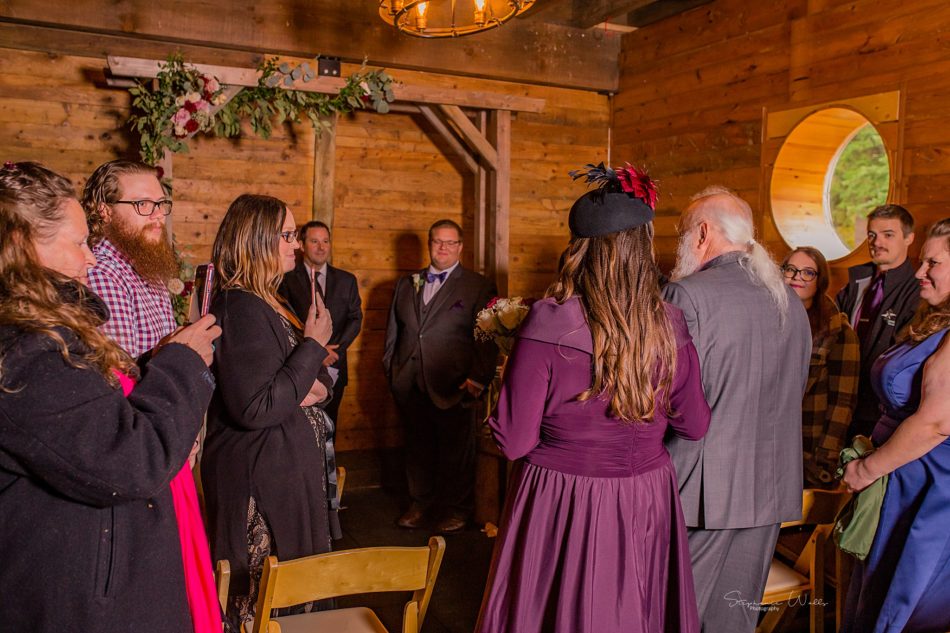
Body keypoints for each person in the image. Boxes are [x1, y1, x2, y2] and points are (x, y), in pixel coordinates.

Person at [475, 164, 710, 633]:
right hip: (647, 494)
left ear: (580, 250)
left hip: (564, 496)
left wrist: (506, 381)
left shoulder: (546, 321)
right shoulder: (670, 323)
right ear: (642, 249)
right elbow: (695, 425)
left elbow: (515, 442)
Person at [0, 161, 221, 632]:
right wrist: (181, 362)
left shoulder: (47, 328)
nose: (91, 259)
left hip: (104, 557)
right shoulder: (26, 346)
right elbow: (127, 459)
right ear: (21, 245)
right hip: (76, 586)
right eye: (79, 243)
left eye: (161, 203)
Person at [663, 186, 811, 633]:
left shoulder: (686, 293)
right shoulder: (791, 301)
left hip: (702, 490)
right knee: (733, 619)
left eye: (684, 234)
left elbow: (665, 396)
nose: (682, 246)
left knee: (676, 614)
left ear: (704, 232)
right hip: (769, 488)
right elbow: (795, 390)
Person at [199, 194, 336, 632]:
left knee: (290, 602)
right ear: (256, 240)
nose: (296, 245)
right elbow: (257, 406)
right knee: (260, 606)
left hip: (284, 473)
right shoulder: (239, 307)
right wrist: (312, 346)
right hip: (260, 482)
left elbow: (317, 383)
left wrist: (302, 379)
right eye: (288, 235)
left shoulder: (269, 300)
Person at [841, 218, 950, 633]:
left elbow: (937, 421)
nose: (920, 272)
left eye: (932, 264)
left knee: (900, 609)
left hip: (929, 492)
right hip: (901, 480)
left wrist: (867, 468)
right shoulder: (936, 319)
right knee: (873, 600)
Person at [383, 219, 497, 534]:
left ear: (460, 247)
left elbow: (486, 337)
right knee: (417, 449)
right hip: (410, 382)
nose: (442, 248)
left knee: (456, 452)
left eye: (449, 242)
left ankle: (456, 510)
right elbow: (395, 332)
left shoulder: (477, 285)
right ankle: (419, 504)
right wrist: (393, 371)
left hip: (455, 384)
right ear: (429, 244)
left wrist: (478, 378)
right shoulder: (408, 283)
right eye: (437, 241)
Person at [835, 204, 919, 440]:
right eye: (872, 235)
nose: (877, 242)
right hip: (843, 401)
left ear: (909, 238)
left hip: (882, 411)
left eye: (888, 235)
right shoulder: (856, 283)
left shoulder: (916, 292)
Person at [82, 159, 179, 358]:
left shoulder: (147, 266)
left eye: (161, 204)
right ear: (106, 211)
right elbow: (120, 374)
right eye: (142, 204)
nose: (158, 214)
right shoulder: (103, 272)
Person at [781, 246, 860, 488]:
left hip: (809, 447)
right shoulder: (769, 319)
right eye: (791, 270)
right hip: (771, 444)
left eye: (808, 273)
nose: (797, 277)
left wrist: (824, 459)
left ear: (820, 281)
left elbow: (842, 403)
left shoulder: (839, 332)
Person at [279, 220, 363, 425]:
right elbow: (285, 320)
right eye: (314, 241)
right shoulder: (286, 278)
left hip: (335, 364)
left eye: (325, 241)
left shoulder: (346, 280)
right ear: (302, 244)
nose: (321, 247)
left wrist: (335, 351)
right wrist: (317, 350)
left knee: (330, 424)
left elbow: (355, 318)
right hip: (298, 366)